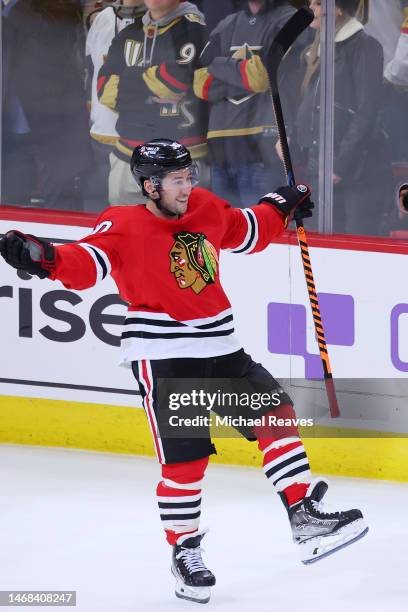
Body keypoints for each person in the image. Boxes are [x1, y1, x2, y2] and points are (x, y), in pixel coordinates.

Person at [0, 139, 368, 604]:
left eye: (189, 176)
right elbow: (87, 263)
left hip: (222, 346)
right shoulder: (123, 223)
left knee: (277, 416)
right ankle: (185, 553)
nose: (188, 186)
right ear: (150, 187)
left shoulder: (206, 207)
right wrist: (45, 257)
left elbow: (247, 230)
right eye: (177, 180)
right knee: (185, 460)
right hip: (165, 353)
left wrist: (283, 201)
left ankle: (305, 518)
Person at [282, 0, 393, 235]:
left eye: (319, 3)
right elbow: (309, 105)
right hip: (322, 165)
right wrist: (291, 135)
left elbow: (366, 111)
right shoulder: (318, 49)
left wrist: (340, 164)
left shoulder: (365, 47)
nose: (312, 8)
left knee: (356, 244)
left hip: (359, 172)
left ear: (338, 8)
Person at [97, 0, 208, 205]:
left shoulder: (195, 29)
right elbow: (104, 90)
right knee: (127, 233)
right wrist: (150, 84)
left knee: (183, 236)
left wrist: (128, 86)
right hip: (128, 158)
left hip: (183, 160)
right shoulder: (128, 34)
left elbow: (176, 81)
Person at [194, 0, 297, 208]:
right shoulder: (226, 24)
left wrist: (217, 65)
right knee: (228, 235)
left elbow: (262, 76)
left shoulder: (290, 20)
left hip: (263, 150)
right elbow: (200, 84)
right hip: (221, 148)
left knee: (263, 232)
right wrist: (245, 74)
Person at [1, 0, 92, 210]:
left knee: (58, 206)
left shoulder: (50, 9)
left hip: (53, 128)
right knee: (12, 208)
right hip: (13, 133)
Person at [83, 0, 145, 211]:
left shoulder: (164, 20)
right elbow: (91, 67)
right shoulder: (103, 18)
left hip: (142, 136)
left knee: (137, 212)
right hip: (103, 132)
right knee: (101, 209)